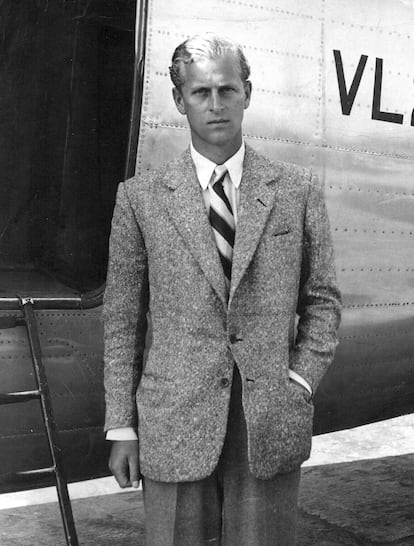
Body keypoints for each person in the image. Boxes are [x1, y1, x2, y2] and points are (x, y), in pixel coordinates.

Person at [103, 33, 341, 545]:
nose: (215, 105)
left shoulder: (295, 191)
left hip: (267, 420)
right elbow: (123, 321)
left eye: (227, 90)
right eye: (200, 93)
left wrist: (297, 383)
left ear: (247, 94)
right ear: (178, 100)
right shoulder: (140, 199)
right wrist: (121, 425)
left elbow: (322, 302)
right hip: (174, 420)